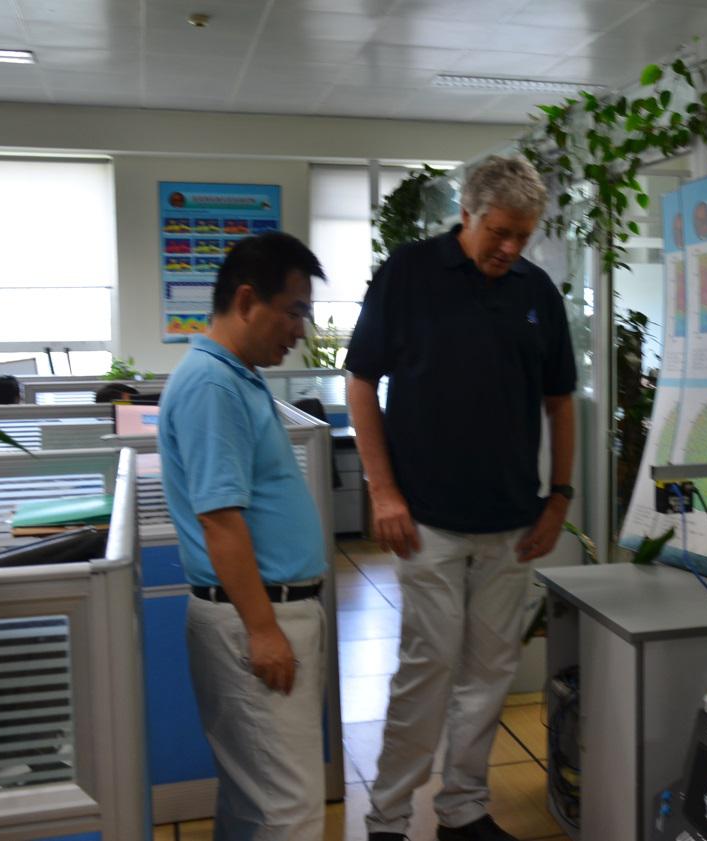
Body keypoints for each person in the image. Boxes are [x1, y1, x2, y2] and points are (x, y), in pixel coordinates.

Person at [347, 155, 577, 841]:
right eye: (499, 232)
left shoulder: (537, 291)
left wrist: (559, 498)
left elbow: (560, 400)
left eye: (523, 236)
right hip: (427, 519)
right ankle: (389, 819)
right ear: (467, 214)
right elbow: (361, 382)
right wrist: (383, 491)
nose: (509, 248)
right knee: (429, 668)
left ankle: (464, 810)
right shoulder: (409, 273)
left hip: (512, 521)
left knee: (490, 672)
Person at [158, 231, 329, 840]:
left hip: (264, 613)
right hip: (255, 617)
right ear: (248, 301)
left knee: (256, 803)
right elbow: (220, 520)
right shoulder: (213, 385)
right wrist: (263, 630)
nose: (300, 331)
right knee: (290, 812)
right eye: (294, 312)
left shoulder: (236, 375)